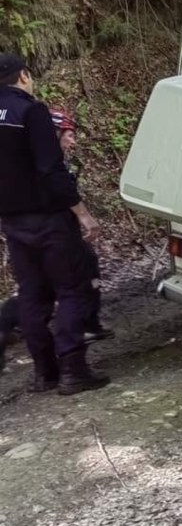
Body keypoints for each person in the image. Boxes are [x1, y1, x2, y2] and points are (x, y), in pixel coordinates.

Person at [0, 52, 109, 394]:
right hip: (49, 218)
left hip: (13, 222)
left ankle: (44, 373)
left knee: (32, 295)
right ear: (24, 75)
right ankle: (73, 371)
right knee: (72, 289)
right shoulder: (31, 112)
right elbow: (51, 170)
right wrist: (83, 214)